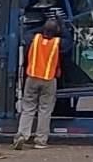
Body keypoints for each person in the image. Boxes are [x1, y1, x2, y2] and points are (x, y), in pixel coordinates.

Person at [14, 10, 65, 149]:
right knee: (45, 110)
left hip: (32, 78)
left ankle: (22, 136)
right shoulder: (57, 43)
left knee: (28, 109)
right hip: (48, 79)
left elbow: (26, 33)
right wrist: (61, 24)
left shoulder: (33, 39)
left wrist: (43, 23)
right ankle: (40, 141)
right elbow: (69, 41)